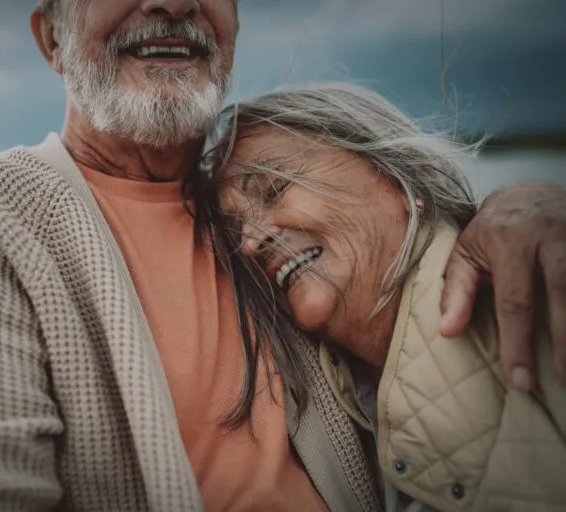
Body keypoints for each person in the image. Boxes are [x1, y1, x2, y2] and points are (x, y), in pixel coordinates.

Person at [0, 1, 566, 510]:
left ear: (235, 23)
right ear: (51, 37)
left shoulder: (260, 232)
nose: (173, 0)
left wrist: (508, 206)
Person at [210, 83, 566, 511]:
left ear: (396, 177)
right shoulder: (334, 401)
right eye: (234, 232)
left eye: (274, 188)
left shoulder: (535, 288)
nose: (249, 242)